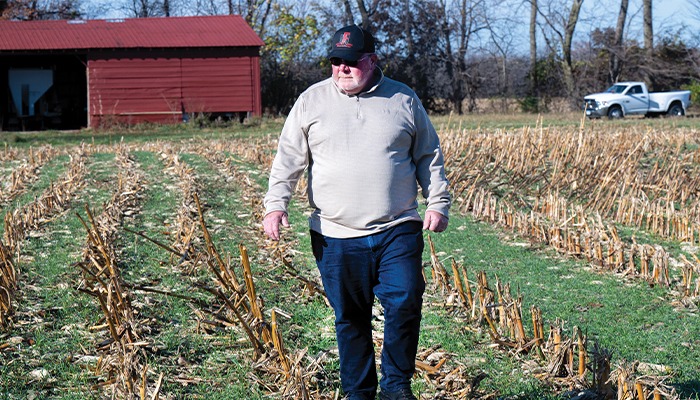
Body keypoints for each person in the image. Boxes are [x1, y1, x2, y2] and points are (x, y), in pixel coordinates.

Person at [262, 24, 450, 400]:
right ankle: (358, 392)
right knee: (351, 317)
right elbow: (288, 160)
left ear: (372, 60)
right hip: (334, 233)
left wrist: (438, 201)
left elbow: (428, 155)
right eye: (336, 61)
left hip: (397, 226)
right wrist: (275, 205)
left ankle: (396, 385)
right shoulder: (311, 102)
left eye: (351, 61)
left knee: (405, 300)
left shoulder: (404, 100)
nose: (342, 68)